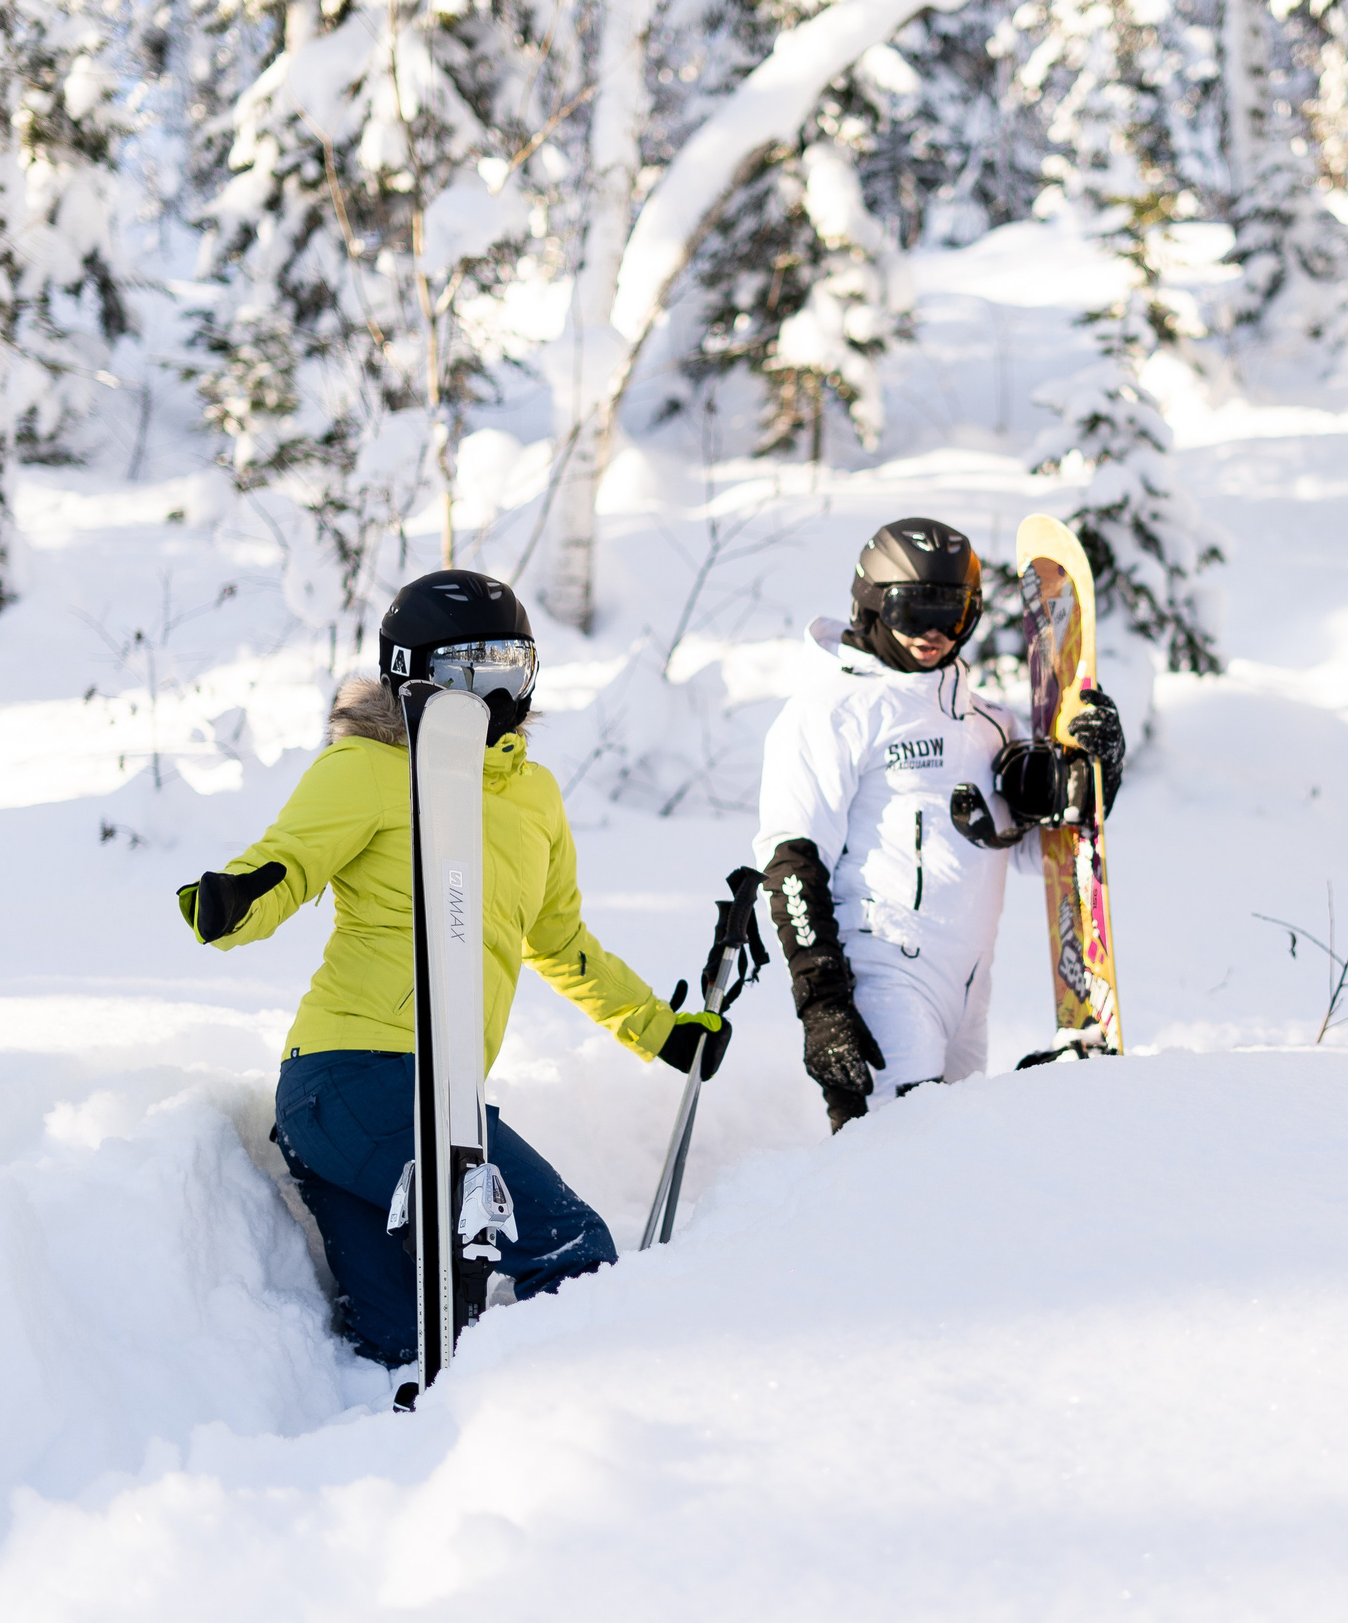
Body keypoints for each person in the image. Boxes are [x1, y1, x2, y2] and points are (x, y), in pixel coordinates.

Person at [176, 569, 729, 1366]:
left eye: (513, 668)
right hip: (358, 1076)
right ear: (413, 672)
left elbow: (561, 939)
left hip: (438, 1092)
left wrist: (663, 1031)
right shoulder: (365, 766)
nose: (496, 693)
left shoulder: (533, 796)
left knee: (414, 1339)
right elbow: (287, 862)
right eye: (471, 671)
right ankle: (569, 1412)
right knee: (574, 1253)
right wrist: (235, 900)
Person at [753, 518, 1123, 1130]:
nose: (933, 633)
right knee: (900, 1162)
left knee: (952, 1170)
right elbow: (790, 861)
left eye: (954, 616)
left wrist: (1097, 767)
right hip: (880, 975)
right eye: (913, 609)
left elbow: (1042, 852)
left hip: (968, 989)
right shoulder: (830, 711)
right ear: (871, 602)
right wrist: (821, 1004)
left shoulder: (989, 722)